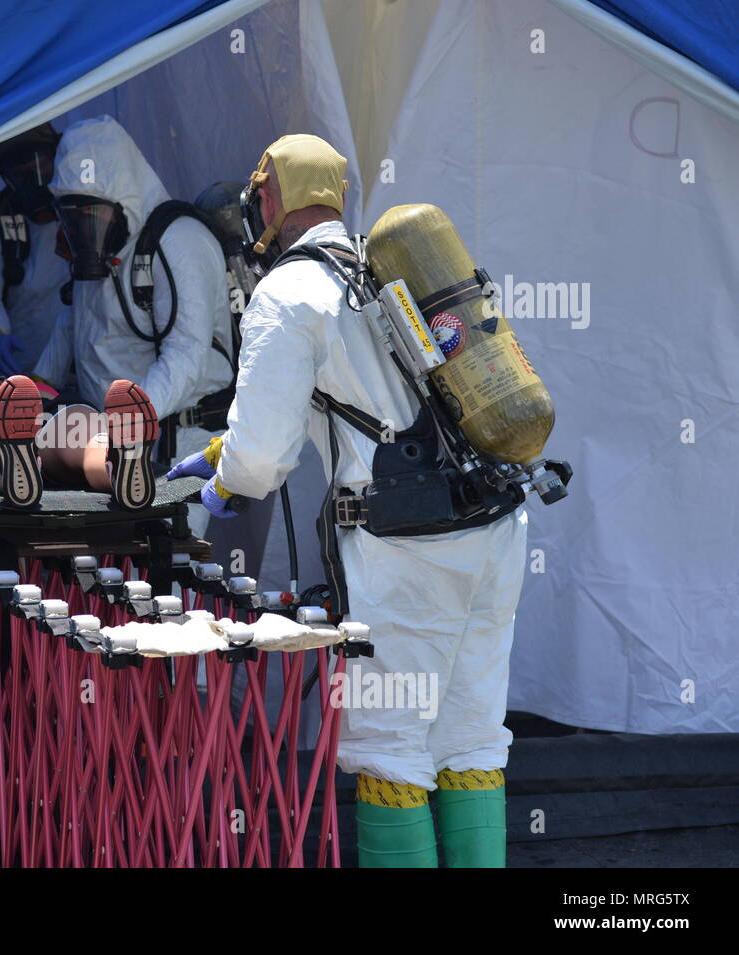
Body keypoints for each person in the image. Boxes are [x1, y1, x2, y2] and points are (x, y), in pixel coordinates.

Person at [169, 134, 528, 868]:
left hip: (408, 552)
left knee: (389, 744)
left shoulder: (287, 291)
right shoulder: (382, 269)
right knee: (468, 733)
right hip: (492, 526)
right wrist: (218, 452)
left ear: (268, 199)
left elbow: (265, 454)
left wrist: (228, 479)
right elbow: (358, 403)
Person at [32, 116, 233, 533]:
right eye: (73, 216)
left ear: (124, 200)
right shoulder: (96, 250)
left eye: (93, 214)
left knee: (170, 564)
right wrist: (37, 388)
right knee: (109, 569)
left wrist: (121, 427)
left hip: (179, 438)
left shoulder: (180, 241)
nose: (84, 230)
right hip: (107, 442)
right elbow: (75, 325)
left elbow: (185, 356)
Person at [0, 371, 158, 511]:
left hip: (49, 409)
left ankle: (115, 462)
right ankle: (12, 456)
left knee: (84, 434)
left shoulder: (30, 387)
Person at [0, 124, 66, 375]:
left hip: (90, 364)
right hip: (28, 368)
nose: (35, 183)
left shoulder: (92, 209)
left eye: (41, 169)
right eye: (22, 175)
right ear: (5, 176)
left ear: (58, 155)